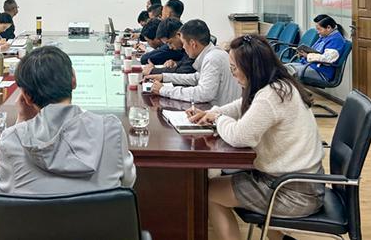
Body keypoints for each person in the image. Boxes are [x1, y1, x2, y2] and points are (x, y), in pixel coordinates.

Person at [187, 35, 325, 240]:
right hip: (299, 181)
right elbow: (242, 106)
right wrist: (213, 112)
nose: (233, 73)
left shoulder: (271, 96)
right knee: (217, 184)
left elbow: (239, 136)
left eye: (234, 68)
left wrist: (217, 119)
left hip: (292, 191)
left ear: (251, 68)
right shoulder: (279, 85)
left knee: (210, 194)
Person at [0, 46, 136, 194]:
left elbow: (1, 195)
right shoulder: (111, 130)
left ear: (26, 97)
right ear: (74, 80)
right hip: (101, 210)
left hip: (36, 211)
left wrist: (22, 120)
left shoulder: (11, 140)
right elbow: (127, 184)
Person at [146, 19, 241, 106]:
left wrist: (164, 90)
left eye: (184, 43)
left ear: (193, 44)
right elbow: (196, 78)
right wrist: (164, 77)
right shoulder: (213, 53)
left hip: (222, 114)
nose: (183, 47)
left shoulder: (212, 58)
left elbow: (203, 94)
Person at [285, 14, 347, 83]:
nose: (318, 32)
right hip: (311, 66)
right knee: (283, 68)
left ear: (328, 27)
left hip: (321, 72)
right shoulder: (324, 37)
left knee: (287, 71)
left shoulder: (336, 40)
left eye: (319, 29)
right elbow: (315, 51)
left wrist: (308, 55)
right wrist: (304, 54)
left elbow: (327, 58)